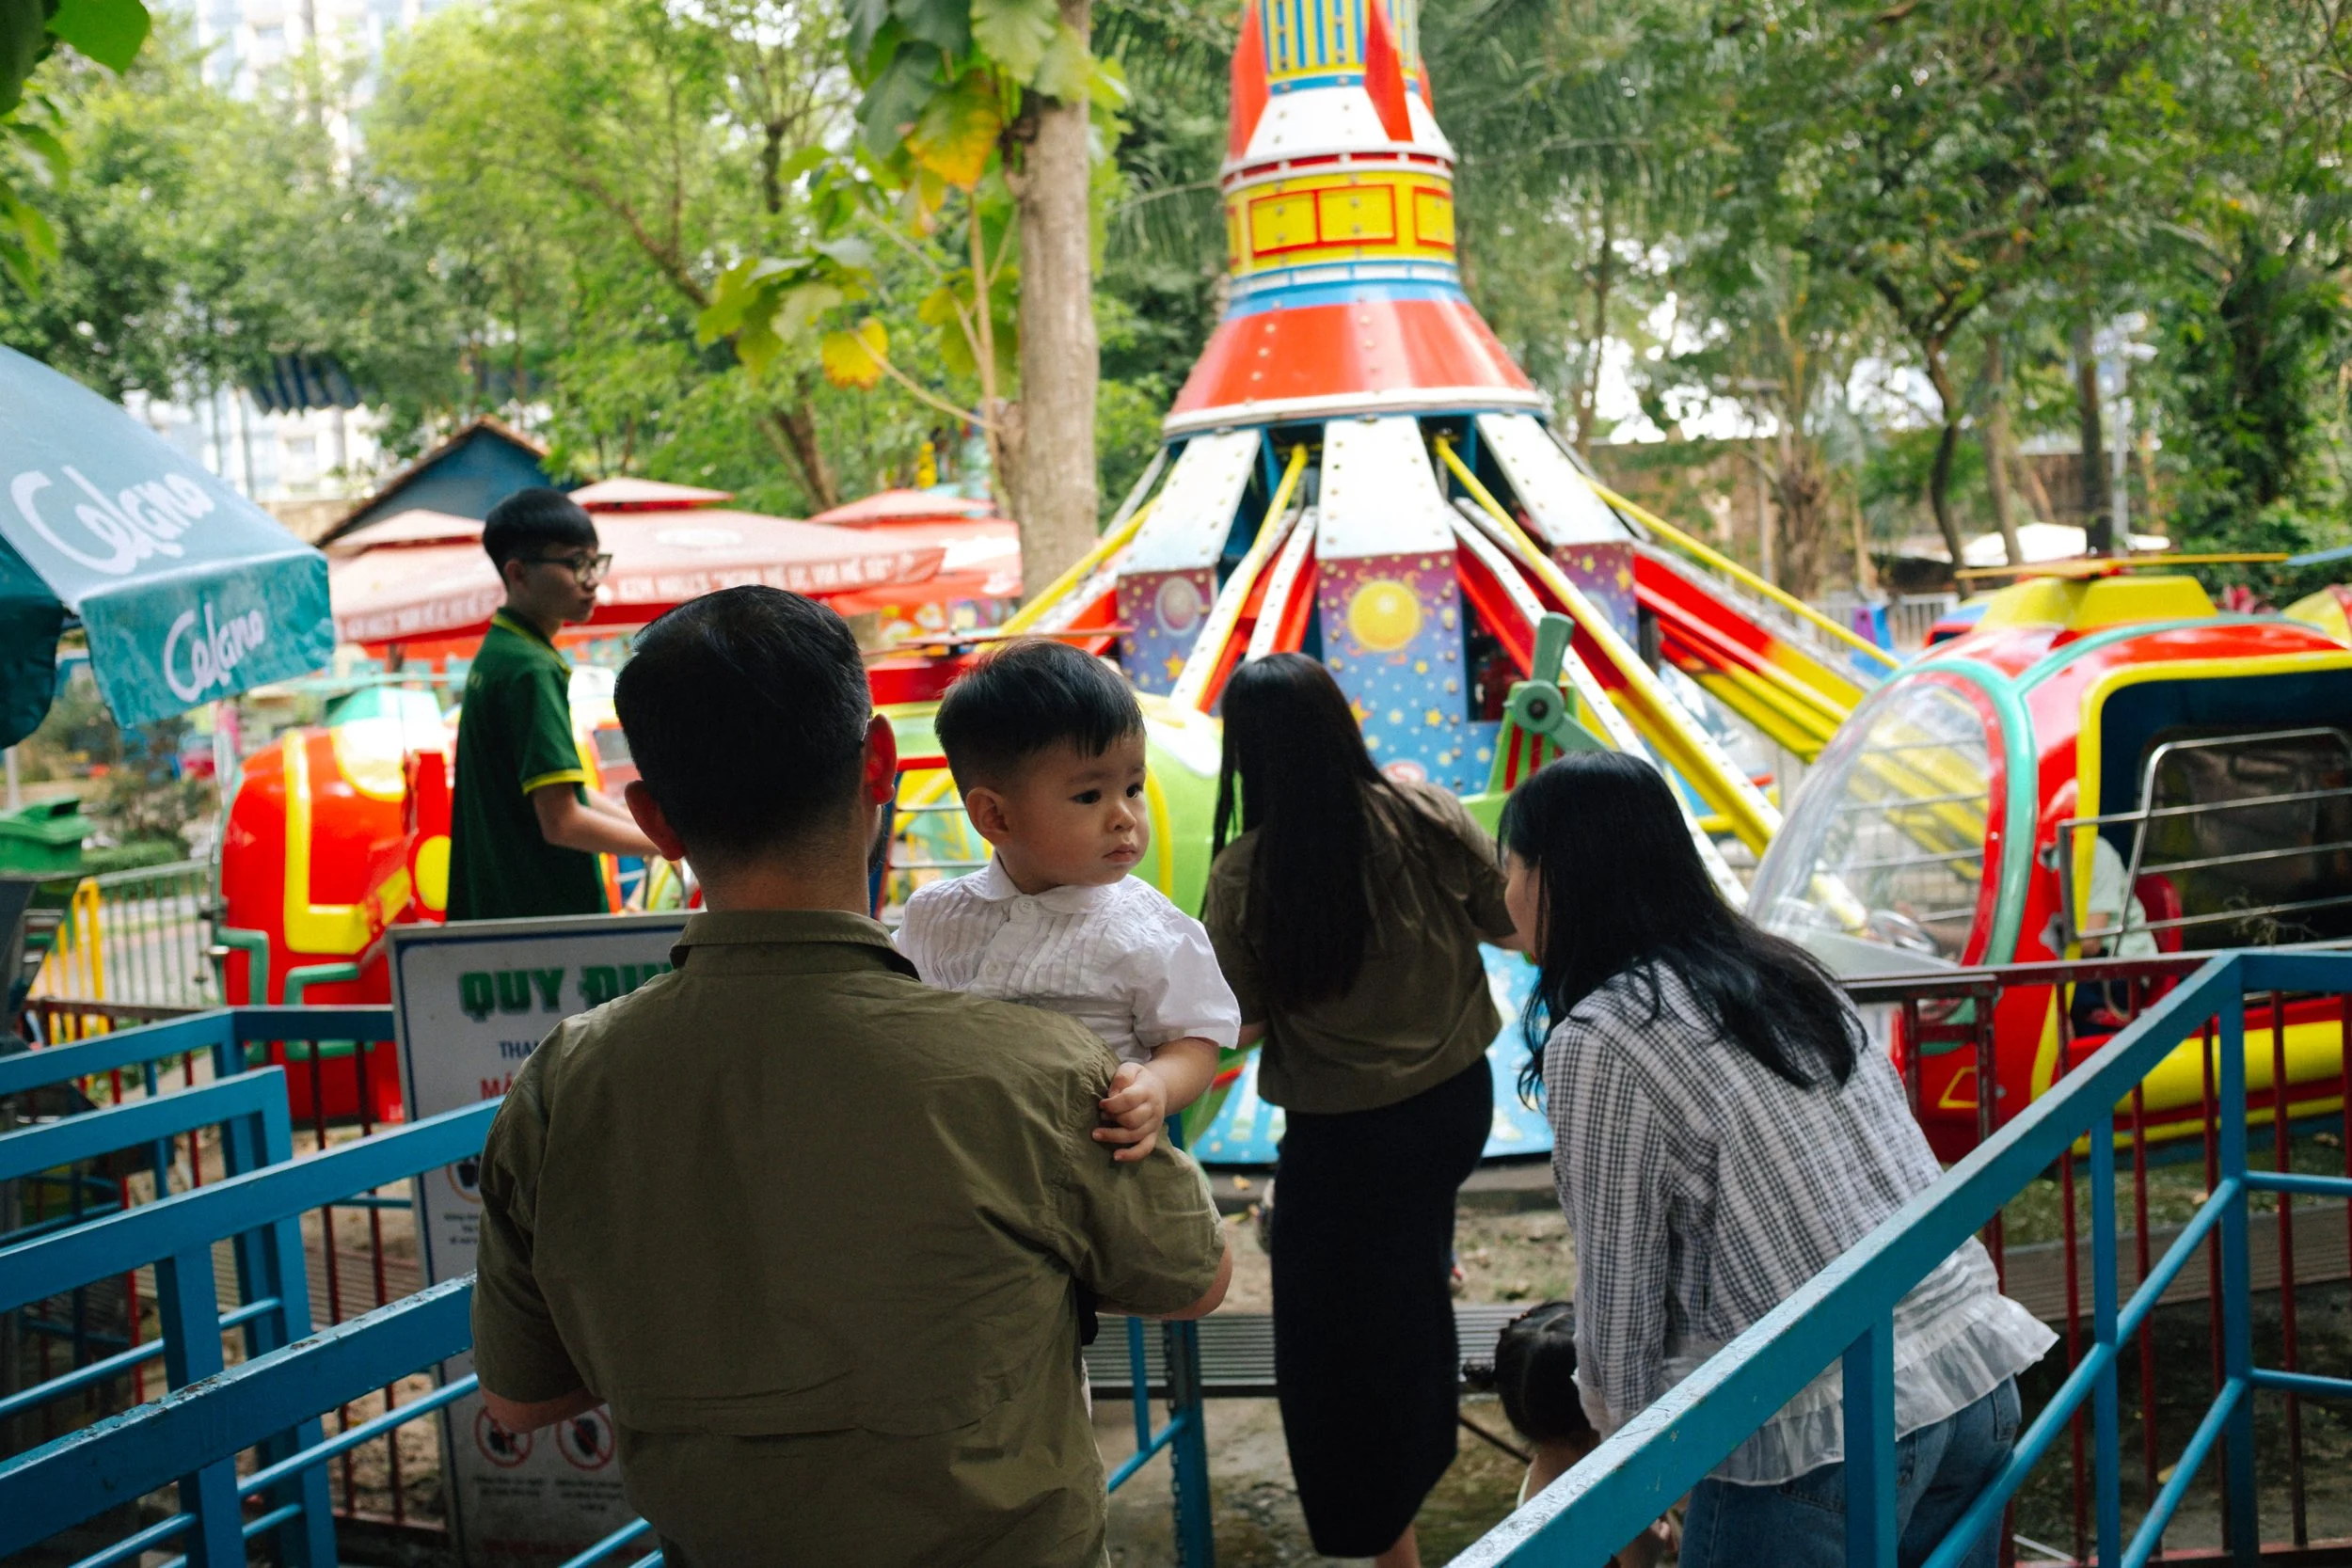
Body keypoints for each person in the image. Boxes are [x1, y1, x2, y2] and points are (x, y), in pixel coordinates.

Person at [469, 587, 1231, 1566]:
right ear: (879, 763)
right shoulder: (1033, 1069)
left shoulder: (559, 1087)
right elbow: (1193, 1276)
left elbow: (524, 1395)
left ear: (654, 819)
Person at [1499, 751, 2055, 1568]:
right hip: (1968, 1370)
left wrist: (1628, 1470)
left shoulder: (1606, 1036)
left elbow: (1616, 1311)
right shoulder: (1784, 971)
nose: (1505, 896)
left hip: (1823, 1425)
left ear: (1554, 878)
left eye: (1509, 868)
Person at [1200, 653, 1520, 1568]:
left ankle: (1383, 1539)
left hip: (1344, 1142)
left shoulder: (1243, 873)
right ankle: (1418, 1477)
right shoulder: (1424, 814)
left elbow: (1245, 1024)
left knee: (1333, 1351)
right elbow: (1507, 922)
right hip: (1457, 1109)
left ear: (1245, 757)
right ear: (1341, 721)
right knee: (1406, 1276)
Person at [898, 638, 1236, 1162]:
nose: (1124, 814)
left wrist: (1157, 1088)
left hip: (1093, 1172)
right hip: (969, 1170)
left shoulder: (1149, 929)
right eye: (1089, 795)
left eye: (1134, 786)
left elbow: (1193, 1040)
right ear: (996, 818)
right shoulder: (935, 916)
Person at [448, 486, 656, 920]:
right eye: (575, 564)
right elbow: (562, 822)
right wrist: (671, 845)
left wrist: (655, 832)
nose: (592, 580)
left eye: (594, 563)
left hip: (501, 914)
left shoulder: (501, 651)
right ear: (518, 573)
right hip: (541, 918)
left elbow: (570, 795)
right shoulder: (530, 668)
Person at [1489, 1302, 1674, 1565]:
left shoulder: (1541, 1479)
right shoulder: (1605, 1508)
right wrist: (1647, 1552)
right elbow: (1640, 1556)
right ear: (1594, 1401)